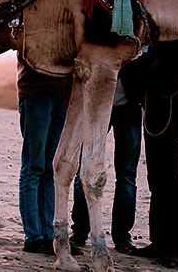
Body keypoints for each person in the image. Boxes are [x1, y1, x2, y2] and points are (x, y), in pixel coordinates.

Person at [121, 38, 178, 269]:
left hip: (168, 118)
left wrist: (133, 65)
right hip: (155, 116)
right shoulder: (160, 42)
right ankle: (159, 242)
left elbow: (166, 77)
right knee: (157, 182)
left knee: (170, 182)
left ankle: (175, 249)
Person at [69, 75, 142, 255]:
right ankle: (80, 230)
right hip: (95, 104)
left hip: (130, 106)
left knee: (127, 175)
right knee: (85, 169)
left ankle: (122, 235)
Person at [16, 55, 73, 254]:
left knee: (50, 169)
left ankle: (48, 235)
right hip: (36, 90)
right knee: (34, 166)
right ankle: (33, 237)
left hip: (61, 94)